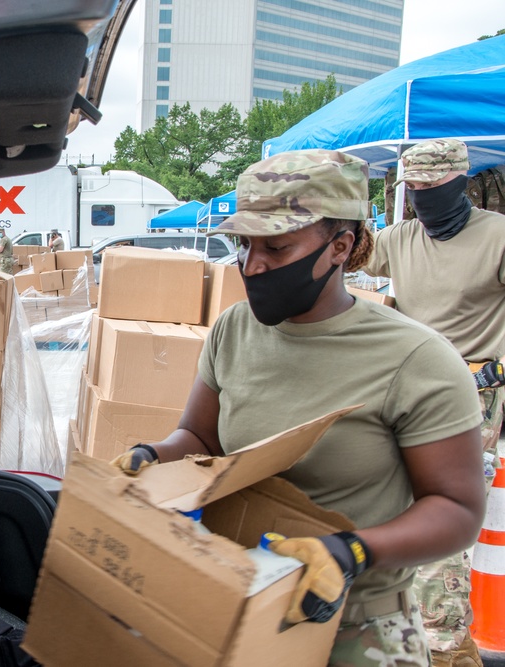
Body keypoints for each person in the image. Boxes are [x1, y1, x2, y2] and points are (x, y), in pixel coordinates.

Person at [112, 149, 486, 667]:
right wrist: (154, 454)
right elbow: (201, 440)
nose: (251, 265)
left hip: (357, 629)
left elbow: (457, 509)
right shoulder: (233, 330)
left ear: (341, 246)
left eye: (277, 247)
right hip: (240, 607)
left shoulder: (417, 360)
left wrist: (353, 551)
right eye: (244, 245)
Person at [362, 138, 505, 667]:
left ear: (457, 183)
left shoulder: (497, 237)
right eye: (412, 188)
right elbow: (350, 253)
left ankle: (442, 642)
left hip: (474, 392)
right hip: (408, 387)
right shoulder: (401, 237)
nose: (418, 198)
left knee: (445, 518)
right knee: (396, 506)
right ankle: (422, 636)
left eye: (428, 187)